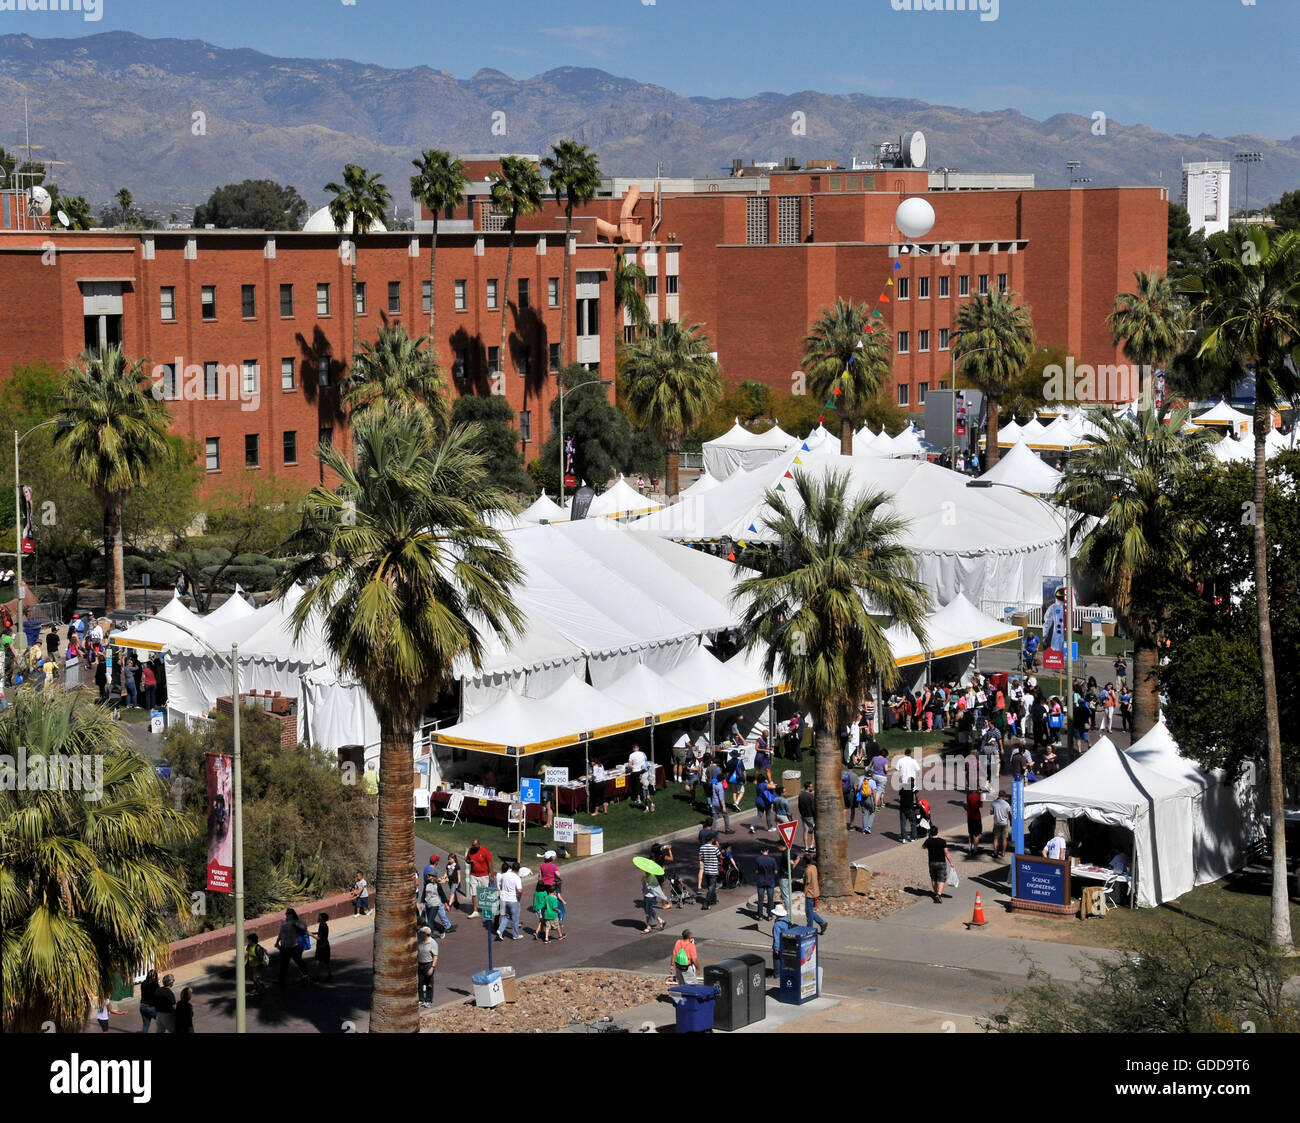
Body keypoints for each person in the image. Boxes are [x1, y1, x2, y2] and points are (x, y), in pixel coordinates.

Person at [276, 908, 314, 985]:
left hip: (294, 946)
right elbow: (280, 934)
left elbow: (304, 928)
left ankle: (306, 976)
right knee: (283, 964)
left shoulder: (297, 922)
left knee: (299, 962)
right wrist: (277, 942)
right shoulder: (284, 923)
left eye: (289, 914)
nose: (287, 915)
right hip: (284, 947)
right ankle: (281, 980)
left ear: (293, 915)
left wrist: (295, 923)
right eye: (287, 914)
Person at [797, 852, 829, 935]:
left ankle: (810, 928)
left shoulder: (808, 870)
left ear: (804, 861)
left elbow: (807, 883)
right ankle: (822, 923)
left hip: (810, 893)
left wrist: (803, 894)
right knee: (809, 910)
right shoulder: (814, 867)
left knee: (809, 912)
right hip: (815, 891)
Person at [894, 748, 921, 842]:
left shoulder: (900, 760)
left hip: (904, 783)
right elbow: (918, 769)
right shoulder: (913, 761)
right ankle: (913, 836)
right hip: (911, 782)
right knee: (912, 821)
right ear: (910, 753)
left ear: (904, 753)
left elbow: (896, 768)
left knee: (903, 821)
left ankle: (904, 837)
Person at [922, 826, 953, 903]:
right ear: (937, 832)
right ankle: (938, 895)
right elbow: (946, 852)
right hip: (941, 862)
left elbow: (923, 847)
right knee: (942, 879)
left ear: (930, 833)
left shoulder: (928, 841)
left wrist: (928, 838)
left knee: (933, 879)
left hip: (932, 862)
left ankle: (935, 893)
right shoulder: (942, 841)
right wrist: (951, 862)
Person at [495, 860, 524, 940]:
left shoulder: (505, 875)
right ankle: (515, 935)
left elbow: (500, 885)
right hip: (513, 899)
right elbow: (520, 890)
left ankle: (500, 930)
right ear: (518, 869)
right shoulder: (517, 878)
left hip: (504, 899)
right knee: (515, 918)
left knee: (506, 916)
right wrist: (519, 897)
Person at [466, 839, 494, 918]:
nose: (473, 847)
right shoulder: (470, 851)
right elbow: (467, 859)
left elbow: (490, 863)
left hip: (484, 875)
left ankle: (486, 909)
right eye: (472, 845)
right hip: (473, 875)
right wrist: (469, 862)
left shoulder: (485, 850)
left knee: (485, 892)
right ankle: (475, 910)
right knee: (474, 892)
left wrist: (492, 875)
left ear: (479, 844)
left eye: (475, 845)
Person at [754, 844, 778, 920]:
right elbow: (776, 871)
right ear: (768, 851)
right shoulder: (772, 860)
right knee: (770, 899)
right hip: (770, 881)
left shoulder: (758, 859)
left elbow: (756, 871)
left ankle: (760, 915)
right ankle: (770, 915)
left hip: (761, 881)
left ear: (761, 851)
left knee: (760, 899)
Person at [698, 833, 722, 909]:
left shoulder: (702, 847)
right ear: (712, 839)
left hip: (706, 870)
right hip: (713, 870)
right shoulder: (715, 848)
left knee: (710, 886)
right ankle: (706, 903)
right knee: (712, 887)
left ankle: (713, 900)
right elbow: (720, 856)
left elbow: (700, 858)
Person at [417, 927, 438, 1007]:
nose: (420, 933)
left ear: (425, 934)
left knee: (429, 984)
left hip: (428, 964)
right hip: (420, 963)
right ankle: (421, 999)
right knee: (420, 983)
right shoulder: (420, 940)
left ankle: (428, 1000)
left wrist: (432, 967)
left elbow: (435, 956)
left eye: (421, 932)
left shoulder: (432, 943)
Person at [710, 769, 733, 834]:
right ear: (723, 780)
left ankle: (713, 831)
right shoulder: (720, 787)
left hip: (714, 803)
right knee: (726, 816)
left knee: (715, 818)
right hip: (719, 804)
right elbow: (721, 798)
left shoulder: (714, 785)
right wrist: (723, 807)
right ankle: (727, 830)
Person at [311, 912, 332, 980]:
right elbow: (321, 933)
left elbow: (319, 938)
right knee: (326, 961)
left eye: (319, 917)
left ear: (322, 918)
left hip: (321, 946)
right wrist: (314, 932)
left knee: (317, 960)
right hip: (325, 945)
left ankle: (316, 976)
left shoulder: (322, 925)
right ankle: (329, 974)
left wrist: (310, 935)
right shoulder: (323, 925)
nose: (318, 918)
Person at [797, 781, 816, 851]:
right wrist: (815, 815)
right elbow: (813, 807)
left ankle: (806, 847)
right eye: (811, 786)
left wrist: (802, 814)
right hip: (811, 816)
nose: (812, 787)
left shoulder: (800, 795)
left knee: (805, 831)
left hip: (803, 816)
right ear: (808, 787)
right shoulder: (810, 796)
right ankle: (812, 846)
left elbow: (799, 806)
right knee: (814, 830)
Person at [965, 787, 983, 856]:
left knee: (970, 833)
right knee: (976, 834)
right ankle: (975, 849)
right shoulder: (978, 795)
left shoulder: (968, 795)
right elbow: (981, 805)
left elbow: (967, 804)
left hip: (970, 816)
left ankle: (970, 848)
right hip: (976, 816)